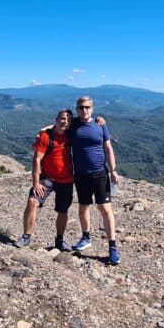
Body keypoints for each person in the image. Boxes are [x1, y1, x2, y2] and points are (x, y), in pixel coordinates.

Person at [68, 95, 121, 265]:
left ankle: (112, 247)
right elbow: (56, 127)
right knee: (83, 206)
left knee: (105, 208)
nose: (84, 110)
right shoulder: (73, 124)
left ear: (92, 108)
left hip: (100, 174)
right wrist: (43, 131)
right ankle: (86, 237)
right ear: (77, 109)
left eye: (87, 107)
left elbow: (108, 147)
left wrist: (113, 170)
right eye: (81, 107)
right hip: (81, 175)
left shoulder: (100, 124)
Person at [15, 109, 75, 251]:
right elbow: (37, 159)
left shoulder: (71, 135)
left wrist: (100, 121)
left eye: (68, 120)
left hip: (66, 180)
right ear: (56, 118)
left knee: (63, 211)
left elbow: (86, 124)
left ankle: (59, 241)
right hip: (47, 178)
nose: (64, 122)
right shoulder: (45, 137)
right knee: (32, 201)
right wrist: (35, 182)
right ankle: (26, 237)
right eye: (62, 118)